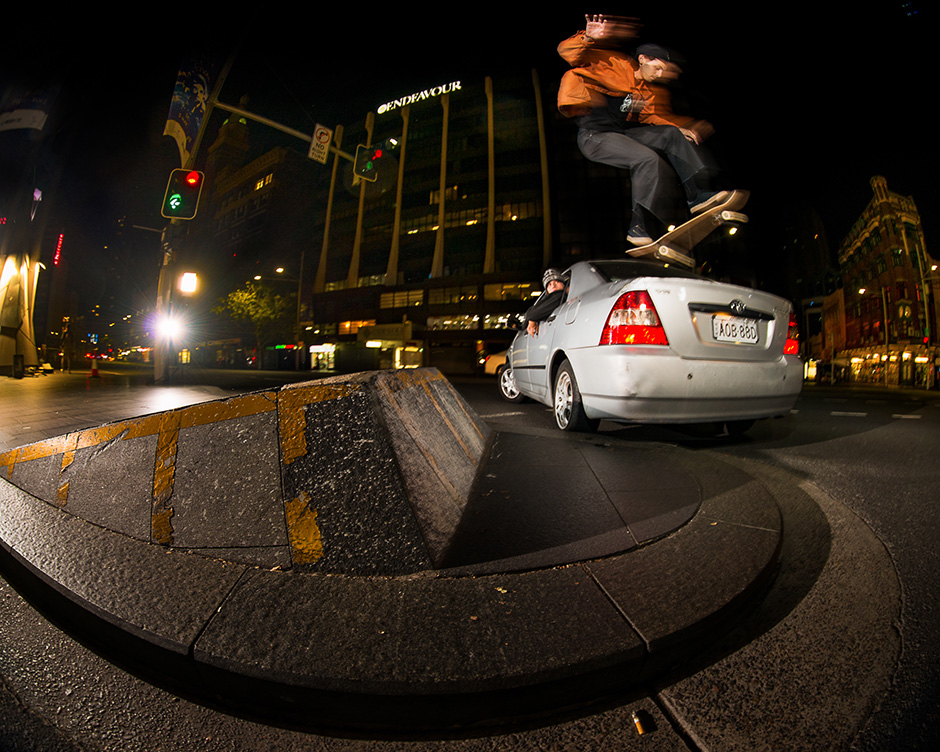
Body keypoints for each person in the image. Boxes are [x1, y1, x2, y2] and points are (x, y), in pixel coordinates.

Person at [557, 14, 731, 246]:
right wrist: (588, 37)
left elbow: (653, 117)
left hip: (621, 134)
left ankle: (697, 196)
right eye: (657, 68)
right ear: (643, 59)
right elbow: (568, 52)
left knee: (671, 134)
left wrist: (682, 128)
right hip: (593, 136)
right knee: (648, 159)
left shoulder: (647, 91)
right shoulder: (614, 63)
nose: (659, 75)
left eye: (664, 72)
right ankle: (638, 227)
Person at [525, 268, 568, 336]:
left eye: (556, 282)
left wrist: (531, 320)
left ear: (563, 284)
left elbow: (531, 314)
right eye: (549, 284)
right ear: (547, 291)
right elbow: (531, 313)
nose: (553, 286)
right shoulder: (553, 299)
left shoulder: (559, 296)